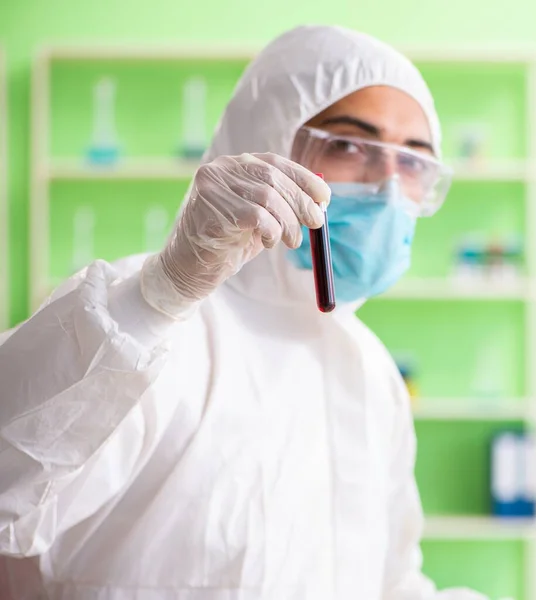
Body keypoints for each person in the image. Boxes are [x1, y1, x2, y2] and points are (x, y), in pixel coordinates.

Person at [0, 25, 486, 600]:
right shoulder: (145, 316)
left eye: (413, 162)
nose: (387, 186)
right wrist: (159, 297)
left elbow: (385, 579)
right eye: (351, 145)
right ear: (269, 143)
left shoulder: (368, 368)